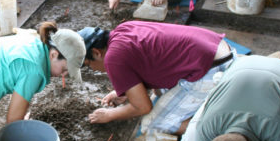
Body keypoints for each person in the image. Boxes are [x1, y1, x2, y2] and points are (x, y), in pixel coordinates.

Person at [79, 21, 234, 135]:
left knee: (153, 124)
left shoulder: (112, 58)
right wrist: (125, 91)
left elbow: (143, 107)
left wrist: (109, 114)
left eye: (87, 65)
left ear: (97, 53)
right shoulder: (122, 30)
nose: (92, 69)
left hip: (212, 70)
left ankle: (227, 128)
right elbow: (147, 63)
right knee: (158, 91)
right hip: (218, 48)